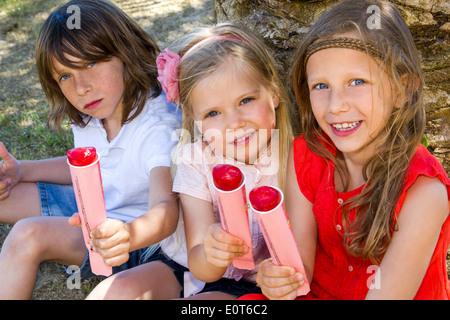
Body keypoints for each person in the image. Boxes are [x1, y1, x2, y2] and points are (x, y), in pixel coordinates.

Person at [243, 0, 450, 300]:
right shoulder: (306, 156)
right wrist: (277, 278)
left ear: (403, 89)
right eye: (321, 86)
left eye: (357, 81)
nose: (336, 105)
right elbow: (300, 270)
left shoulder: (424, 191)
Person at [86, 22, 295, 299]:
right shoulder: (195, 161)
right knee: (112, 292)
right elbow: (200, 265)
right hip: (188, 266)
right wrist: (212, 252)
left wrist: (274, 272)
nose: (234, 123)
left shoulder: (294, 158)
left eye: (245, 100)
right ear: (194, 120)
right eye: (212, 113)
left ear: (274, 92)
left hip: (249, 284)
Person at [0, 0, 180, 299]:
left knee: (26, 234)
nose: (80, 87)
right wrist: (22, 170)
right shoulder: (91, 113)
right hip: (93, 209)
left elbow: (167, 211)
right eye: (65, 76)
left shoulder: (159, 126)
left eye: (89, 63)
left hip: (138, 241)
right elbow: (88, 166)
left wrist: (127, 235)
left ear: (125, 52)